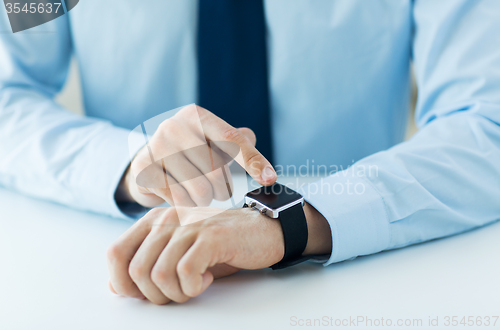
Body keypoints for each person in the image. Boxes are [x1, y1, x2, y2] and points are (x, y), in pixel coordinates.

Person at [1, 0, 500, 305]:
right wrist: (130, 163)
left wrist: (296, 221)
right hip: (126, 279)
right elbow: (8, 93)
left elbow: (486, 120)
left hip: (371, 277)